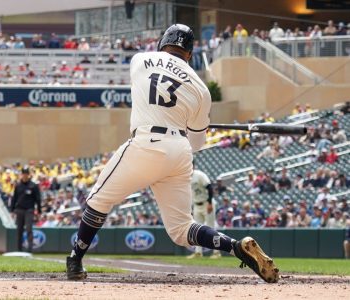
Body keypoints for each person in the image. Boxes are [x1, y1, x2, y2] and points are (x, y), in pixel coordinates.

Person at [65, 24, 279, 284]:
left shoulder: (140, 60)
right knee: (181, 229)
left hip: (146, 142)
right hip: (179, 151)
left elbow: (153, 90)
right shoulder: (201, 89)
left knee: (97, 201)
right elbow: (197, 142)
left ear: (162, 42)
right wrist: (193, 123)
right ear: (190, 53)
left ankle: (75, 261)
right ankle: (235, 247)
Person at [187, 166, 221, 259]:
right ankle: (198, 253)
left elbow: (210, 187)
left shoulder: (200, 175)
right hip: (197, 205)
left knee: (212, 229)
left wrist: (210, 203)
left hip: (207, 203)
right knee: (197, 229)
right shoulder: (186, 177)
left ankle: (216, 252)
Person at [10, 167, 42, 252]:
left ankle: (29, 249)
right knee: (19, 230)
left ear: (29, 175)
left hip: (29, 210)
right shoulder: (18, 186)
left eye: (26, 173)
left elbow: (38, 199)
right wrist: (12, 210)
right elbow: (14, 198)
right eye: (23, 173)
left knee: (29, 229)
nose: (25, 175)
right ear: (21, 174)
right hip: (19, 210)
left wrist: (39, 211)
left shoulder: (33, 185)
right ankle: (19, 249)